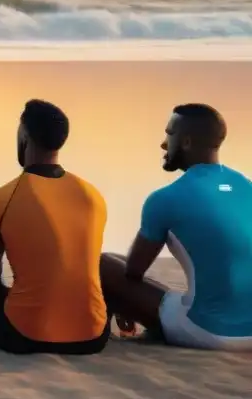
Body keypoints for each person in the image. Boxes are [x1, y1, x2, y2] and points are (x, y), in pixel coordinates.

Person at [0, 99, 110, 355]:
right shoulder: (93, 195)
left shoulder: (1, 198)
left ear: (24, 136)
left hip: (25, 336)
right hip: (94, 337)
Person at [100, 104, 252, 350]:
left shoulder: (165, 199)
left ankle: (98, 336)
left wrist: (122, 302)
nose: (163, 144)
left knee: (105, 264)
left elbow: (134, 272)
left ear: (187, 142)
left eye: (170, 134)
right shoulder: (246, 186)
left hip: (210, 332)